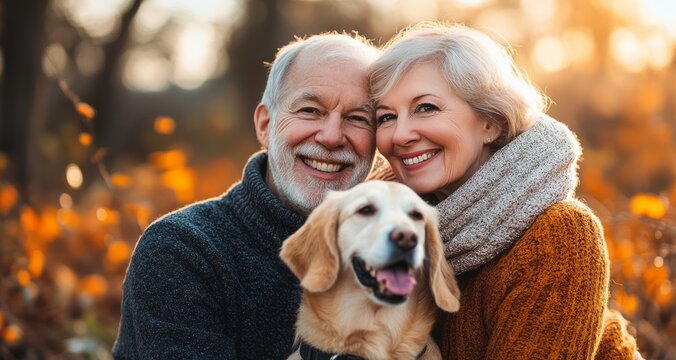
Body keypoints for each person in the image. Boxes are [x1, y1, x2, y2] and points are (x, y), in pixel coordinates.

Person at [368, 22, 640, 359]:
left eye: (426, 108)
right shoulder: (375, 228)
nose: (400, 135)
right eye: (385, 117)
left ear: (489, 122)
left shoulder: (559, 236)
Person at [113, 32, 379, 359]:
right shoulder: (182, 251)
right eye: (311, 111)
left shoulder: (393, 252)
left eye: (357, 118)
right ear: (265, 125)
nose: (332, 136)